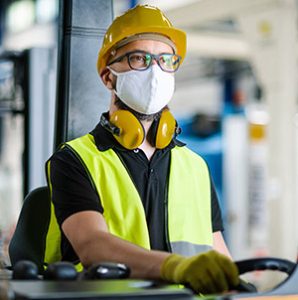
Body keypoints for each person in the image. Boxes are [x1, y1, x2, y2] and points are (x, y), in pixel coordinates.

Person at [46, 4, 240, 294]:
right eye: (140, 59)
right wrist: (176, 267)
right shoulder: (75, 160)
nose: (155, 72)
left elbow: (218, 252)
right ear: (108, 76)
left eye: (166, 60)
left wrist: (238, 286)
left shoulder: (195, 166)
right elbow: (92, 245)